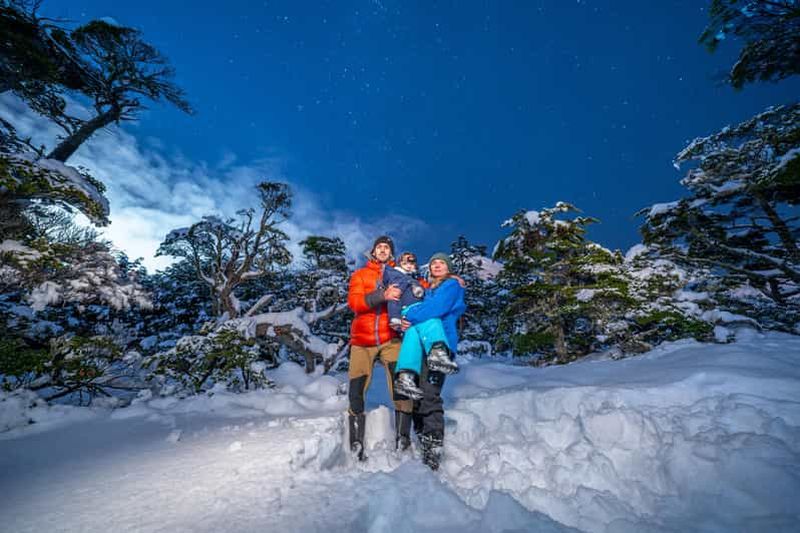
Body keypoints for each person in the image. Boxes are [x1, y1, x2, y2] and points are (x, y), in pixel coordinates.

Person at [346, 235, 414, 460]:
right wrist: (381, 295)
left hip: (390, 339)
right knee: (356, 390)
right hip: (362, 341)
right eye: (380, 247)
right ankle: (356, 445)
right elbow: (355, 302)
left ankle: (403, 441)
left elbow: (418, 292)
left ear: (392, 254)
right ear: (373, 252)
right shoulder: (361, 275)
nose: (383, 250)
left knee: (401, 387)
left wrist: (451, 279)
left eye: (387, 248)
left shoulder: (400, 274)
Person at [397, 252, 466, 470]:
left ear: (449, 269)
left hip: (440, 347)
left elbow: (437, 310)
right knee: (417, 393)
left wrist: (408, 316)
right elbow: (417, 304)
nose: (437, 265)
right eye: (434, 262)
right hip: (421, 349)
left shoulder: (451, 286)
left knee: (430, 394)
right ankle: (423, 437)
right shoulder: (427, 290)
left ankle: (434, 442)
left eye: (442, 263)